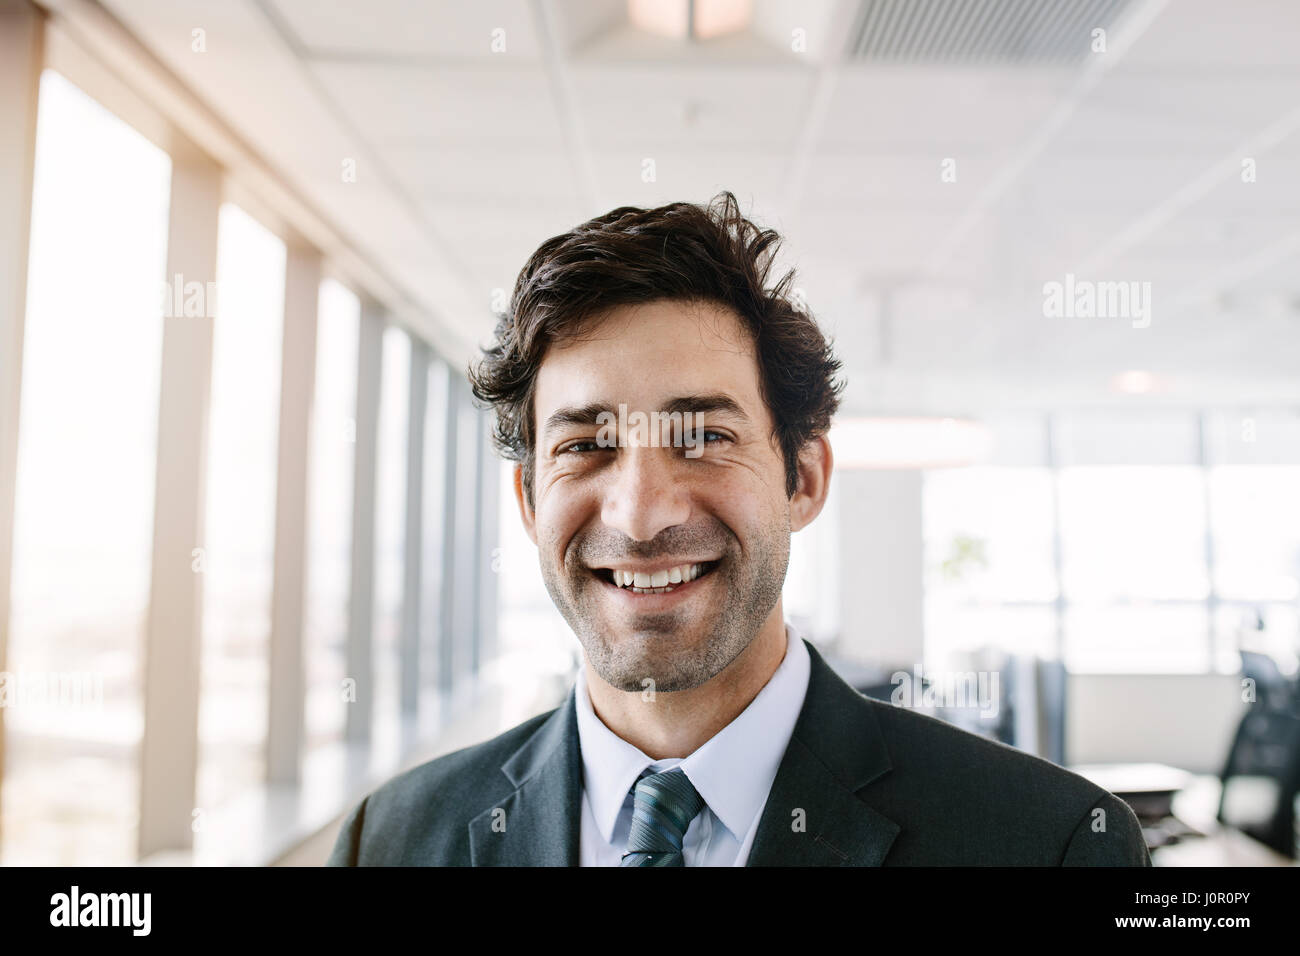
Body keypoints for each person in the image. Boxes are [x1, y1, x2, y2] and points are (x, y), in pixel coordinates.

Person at [328, 192, 1150, 866]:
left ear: (804, 478)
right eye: (586, 446)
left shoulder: (1047, 846)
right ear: (530, 500)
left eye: (705, 437)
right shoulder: (392, 841)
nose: (642, 513)